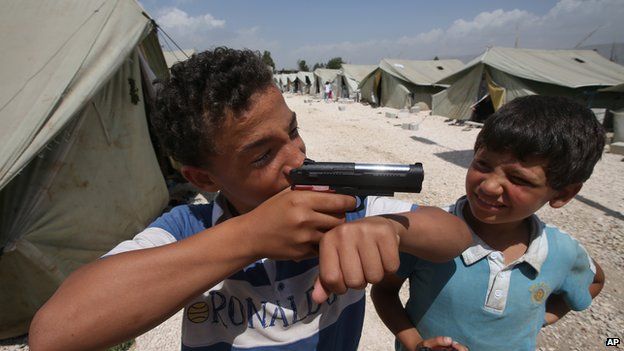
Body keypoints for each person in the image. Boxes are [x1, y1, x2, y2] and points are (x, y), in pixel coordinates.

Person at [28, 47, 471, 351]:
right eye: (262, 155)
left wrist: (386, 227)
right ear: (201, 176)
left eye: (293, 130)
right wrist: (249, 238)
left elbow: (455, 235)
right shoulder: (188, 230)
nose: (297, 156)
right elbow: (55, 334)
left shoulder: (341, 203)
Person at [371, 95, 606, 351]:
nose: (489, 186)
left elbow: (594, 281)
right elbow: (384, 292)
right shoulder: (427, 234)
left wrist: (537, 319)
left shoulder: (562, 252)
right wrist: (416, 344)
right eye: (483, 164)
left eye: (518, 179)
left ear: (562, 194)